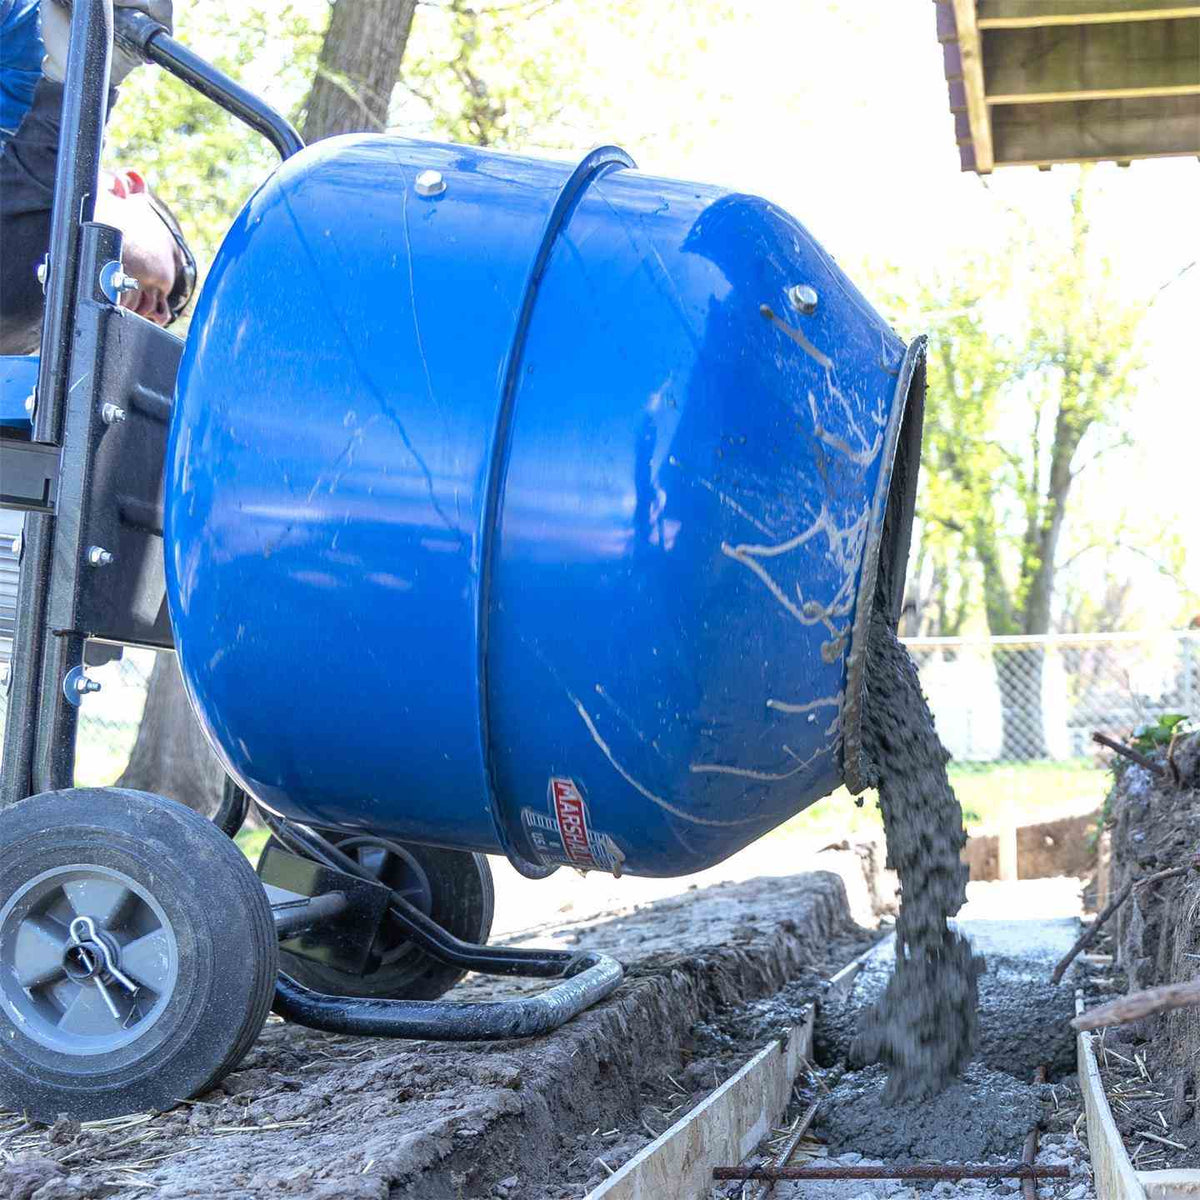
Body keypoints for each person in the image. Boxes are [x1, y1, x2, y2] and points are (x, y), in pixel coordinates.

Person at [0, 0, 194, 355]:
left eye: (170, 320)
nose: (163, 315)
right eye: (181, 281)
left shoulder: (17, 343)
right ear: (130, 186)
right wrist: (83, 74)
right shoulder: (32, 50)